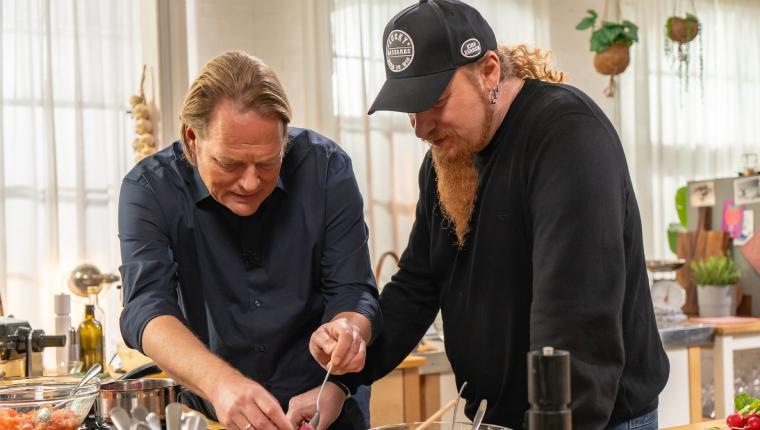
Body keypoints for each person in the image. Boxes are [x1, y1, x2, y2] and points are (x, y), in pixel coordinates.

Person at [307, 1, 669, 429]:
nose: (421, 129)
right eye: (410, 108)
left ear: (490, 72)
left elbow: (575, 320)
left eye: (435, 101)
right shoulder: (446, 160)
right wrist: (344, 377)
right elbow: (418, 286)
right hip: (500, 418)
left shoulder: (566, 135)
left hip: (591, 420)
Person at [118, 51, 380, 430]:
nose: (251, 182)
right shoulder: (148, 189)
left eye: (269, 162)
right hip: (211, 414)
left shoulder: (326, 169)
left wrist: (348, 329)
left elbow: (354, 290)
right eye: (230, 164)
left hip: (325, 408)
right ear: (193, 139)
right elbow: (146, 307)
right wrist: (221, 385)